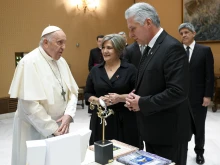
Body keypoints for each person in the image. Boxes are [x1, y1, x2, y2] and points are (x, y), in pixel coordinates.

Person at [124, 3, 195, 165]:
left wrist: (141, 102)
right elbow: (151, 80)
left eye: (133, 28)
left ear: (148, 22)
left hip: (169, 133)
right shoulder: (150, 47)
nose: (130, 34)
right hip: (153, 130)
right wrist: (135, 95)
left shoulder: (172, 48)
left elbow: (178, 91)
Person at [9, 25, 79, 165]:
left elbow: (72, 92)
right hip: (35, 128)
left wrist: (69, 115)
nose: (64, 47)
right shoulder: (28, 62)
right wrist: (52, 128)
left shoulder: (62, 62)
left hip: (61, 125)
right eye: (59, 42)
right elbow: (30, 105)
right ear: (45, 42)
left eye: (65, 42)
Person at [84, 34, 140, 148]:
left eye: (109, 48)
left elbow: (138, 93)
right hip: (101, 120)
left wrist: (119, 98)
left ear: (119, 50)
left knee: (125, 153)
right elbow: (87, 93)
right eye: (103, 48)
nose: (105, 51)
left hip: (125, 120)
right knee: (101, 155)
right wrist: (98, 100)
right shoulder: (95, 70)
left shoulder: (130, 69)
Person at [178, 22, 214, 164]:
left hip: (199, 97)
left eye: (186, 32)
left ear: (194, 33)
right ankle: (183, 151)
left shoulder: (204, 50)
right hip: (180, 98)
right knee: (183, 127)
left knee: (199, 127)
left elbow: (209, 75)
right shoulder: (177, 51)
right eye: (181, 33)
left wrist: (207, 95)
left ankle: (199, 152)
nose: (183, 35)